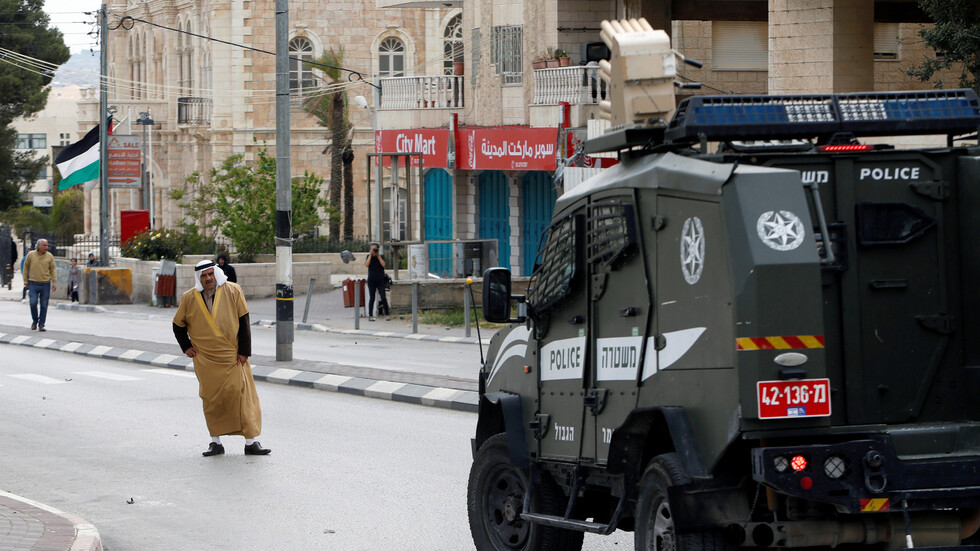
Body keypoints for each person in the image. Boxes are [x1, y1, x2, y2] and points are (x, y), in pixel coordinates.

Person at [172, 260, 270, 457]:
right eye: (204, 276)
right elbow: (178, 325)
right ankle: (215, 442)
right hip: (206, 359)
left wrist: (244, 351)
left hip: (233, 356)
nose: (208, 278)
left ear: (216, 273)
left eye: (210, 274)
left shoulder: (233, 290)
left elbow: (244, 321)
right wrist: (186, 347)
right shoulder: (189, 297)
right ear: (199, 278)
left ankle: (251, 442)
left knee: (242, 396)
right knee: (211, 399)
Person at [23, 239, 56, 331]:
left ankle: (41, 324)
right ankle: (35, 320)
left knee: (44, 305)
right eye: (44, 245)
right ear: (39, 246)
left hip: (45, 284)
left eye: (47, 245)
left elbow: (53, 269)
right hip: (33, 283)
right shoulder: (31, 255)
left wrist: (54, 282)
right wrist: (25, 280)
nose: (46, 247)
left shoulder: (49, 256)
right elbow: (26, 267)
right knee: (33, 302)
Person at [364, 242, 390, 321]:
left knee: (383, 297)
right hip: (372, 279)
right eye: (372, 249)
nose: (373, 250)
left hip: (380, 279)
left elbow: (383, 265)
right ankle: (370, 315)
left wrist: (378, 256)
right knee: (372, 298)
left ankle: (387, 314)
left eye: (375, 249)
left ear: (378, 249)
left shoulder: (381, 256)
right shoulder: (368, 256)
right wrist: (370, 255)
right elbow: (367, 265)